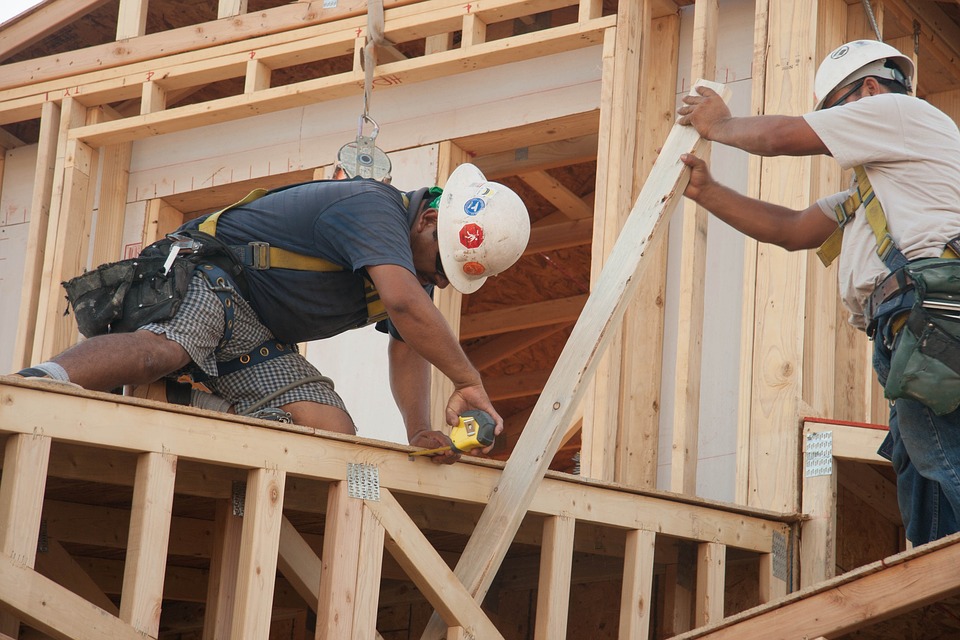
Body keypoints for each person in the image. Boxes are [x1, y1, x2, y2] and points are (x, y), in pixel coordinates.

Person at [15, 163, 531, 464]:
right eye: (443, 266)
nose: (439, 281)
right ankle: (31, 387)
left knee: (328, 427)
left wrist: (417, 429)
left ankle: (180, 399)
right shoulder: (374, 208)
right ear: (430, 220)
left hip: (253, 329)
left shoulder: (412, 271)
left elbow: (408, 340)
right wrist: (468, 379)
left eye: (450, 278)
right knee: (163, 349)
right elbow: (403, 304)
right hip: (206, 275)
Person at [676, 39, 960, 545]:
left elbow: (784, 135)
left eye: (833, 113)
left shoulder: (899, 111)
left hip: (930, 310)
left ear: (870, 89)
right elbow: (791, 229)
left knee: (943, 456)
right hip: (907, 325)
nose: (830, 129)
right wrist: (707, 192)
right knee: (923, 476)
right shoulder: (872, 190)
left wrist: (719, 126)